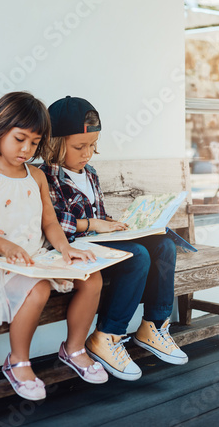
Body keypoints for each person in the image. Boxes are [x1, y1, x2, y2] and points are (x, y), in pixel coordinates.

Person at [0, 92, 108, 402]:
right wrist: (8, 247)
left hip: (38, 255)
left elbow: (50, 224)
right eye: (20, 139)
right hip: (1, 261)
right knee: (39, 289)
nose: (26, 149)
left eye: (34, 142)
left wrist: (65, 249)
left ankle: (75, 349)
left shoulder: (37, 176)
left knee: (91, 277)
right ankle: (18, 362)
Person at [40, 95, 188, 381]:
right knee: (137, 256)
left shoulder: (91, 174)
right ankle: (106, 335)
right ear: (54, 144)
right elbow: (51, 223)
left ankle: (153, 326)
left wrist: (120, 224)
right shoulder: (45, 176)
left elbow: (99, 216)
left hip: (98, 241)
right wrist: (92, 223)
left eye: (93, 146)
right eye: (79, 147)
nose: (87, 153)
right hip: (72, 248)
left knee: (165, 245)